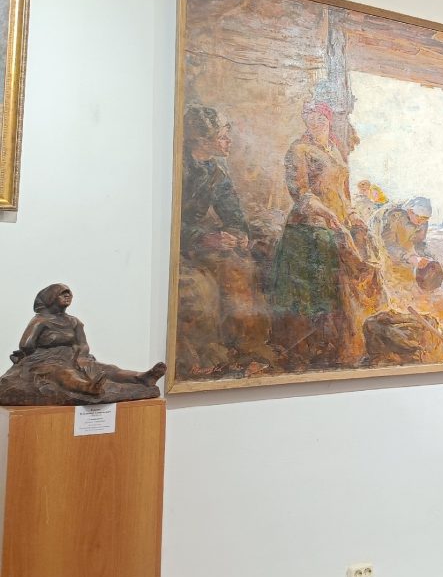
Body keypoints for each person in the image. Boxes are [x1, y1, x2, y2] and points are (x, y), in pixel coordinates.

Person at [271, 101, 382, 365]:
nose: (316, 122)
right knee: (327, 279)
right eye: (310, 118)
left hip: (337, 223)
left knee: (366, 251)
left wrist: (352, 215)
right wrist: (328, 215)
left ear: (328, 120)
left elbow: (343, 194)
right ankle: (320, 346)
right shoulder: (298, 150)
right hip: (309, 227)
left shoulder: (335, 151)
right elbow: (301, 193)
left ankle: (356, 338)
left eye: (320, 118)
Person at [179, 106, 272, 364]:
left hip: (201, 244)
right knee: (200, 289)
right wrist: (203, 238)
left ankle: (247, 345)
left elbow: (234, 214)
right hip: (177, 246)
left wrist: (238, 234)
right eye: (222, 136)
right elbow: (167, 221)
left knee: (240, 267)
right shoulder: (179, 165)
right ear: (201, 140)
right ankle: (204, 356)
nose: (229, 141)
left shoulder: (217, 170)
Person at [0, 284, 165, 405]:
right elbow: (26, 345)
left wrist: (81, 357)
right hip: (45, 360)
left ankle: (141, 377)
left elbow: (83, 344)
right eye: (62, 293)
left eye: (69, 293)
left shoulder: (74, 321)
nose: (68, 296)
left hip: (72, 356)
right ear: (51, 298)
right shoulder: (40, 320)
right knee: (64, 373)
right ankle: (88, 387)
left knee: (106, 368)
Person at [373, 196, 442, 293]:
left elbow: (419, 243)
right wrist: (409, 257)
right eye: (418, 217)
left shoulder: (423, 222)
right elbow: (387, 244)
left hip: (397, 249)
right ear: (410, 211)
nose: (420, 221)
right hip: (375, 241)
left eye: (425, 218)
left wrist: (426, 257)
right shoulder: (394, 216)